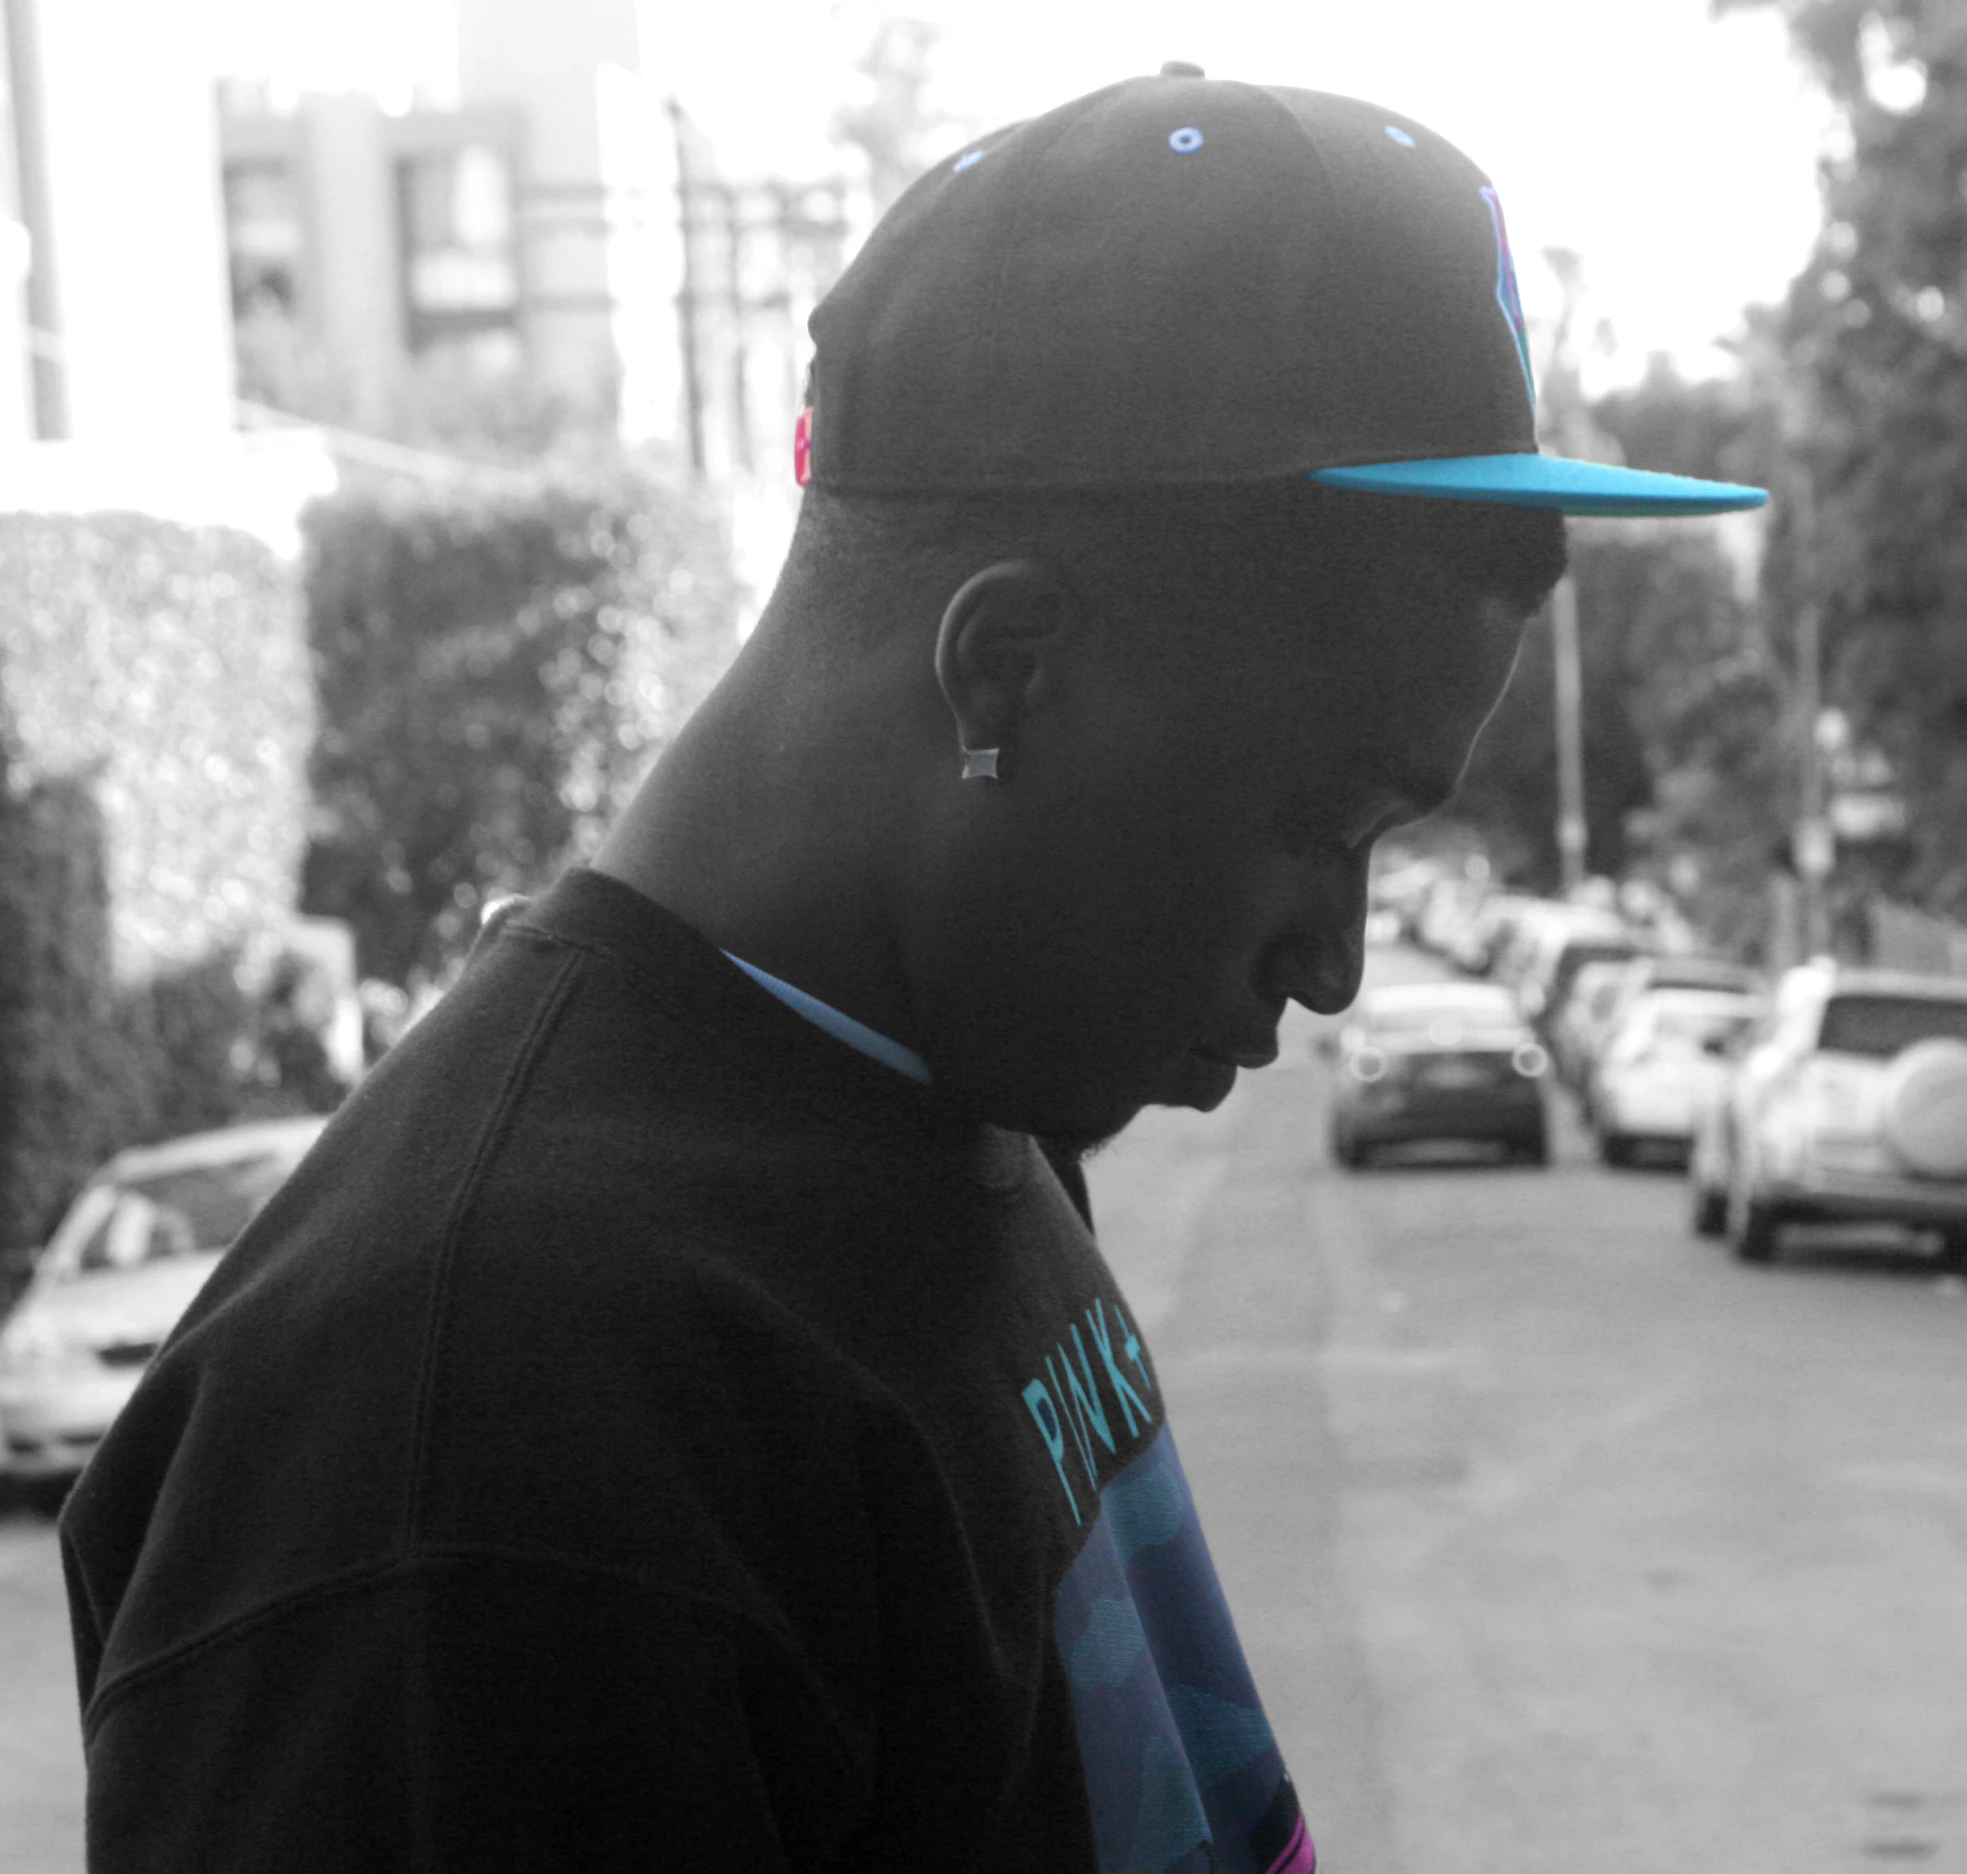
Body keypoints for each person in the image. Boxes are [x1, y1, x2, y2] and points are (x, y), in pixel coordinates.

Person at [59, 67, 1765, 1873]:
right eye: (1317, 820)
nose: (1340, 965)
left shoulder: (948, 1097)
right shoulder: (467, 1449)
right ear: (1004, 670)